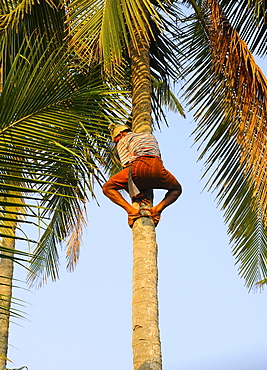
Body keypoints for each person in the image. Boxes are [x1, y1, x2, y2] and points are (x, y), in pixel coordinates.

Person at [102, 123, 182, 227]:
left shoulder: (123, 140)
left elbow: (127, 165)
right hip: (157, 167)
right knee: (176, 189)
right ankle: (157, 210)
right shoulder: (149, 136)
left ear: (121, 134)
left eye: (115, 139)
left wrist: (134, 193)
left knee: (107, 188)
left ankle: (131, 211)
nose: (116, 142)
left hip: (138, 167)